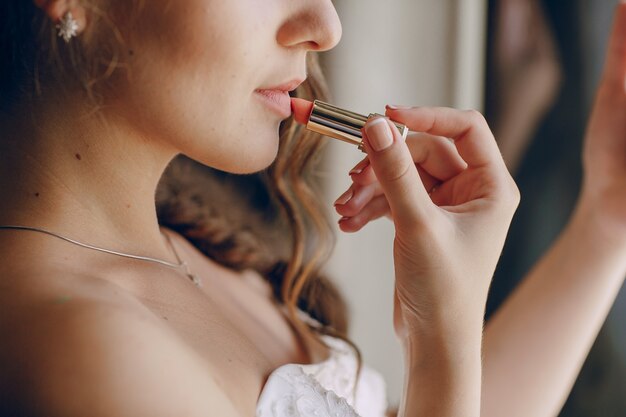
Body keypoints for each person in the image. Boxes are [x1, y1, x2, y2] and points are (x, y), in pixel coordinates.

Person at [0, 2, 623, 417]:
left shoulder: (184, 243)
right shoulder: (83, 350)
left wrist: (607, 216)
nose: (325, 24)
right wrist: (441, 337)